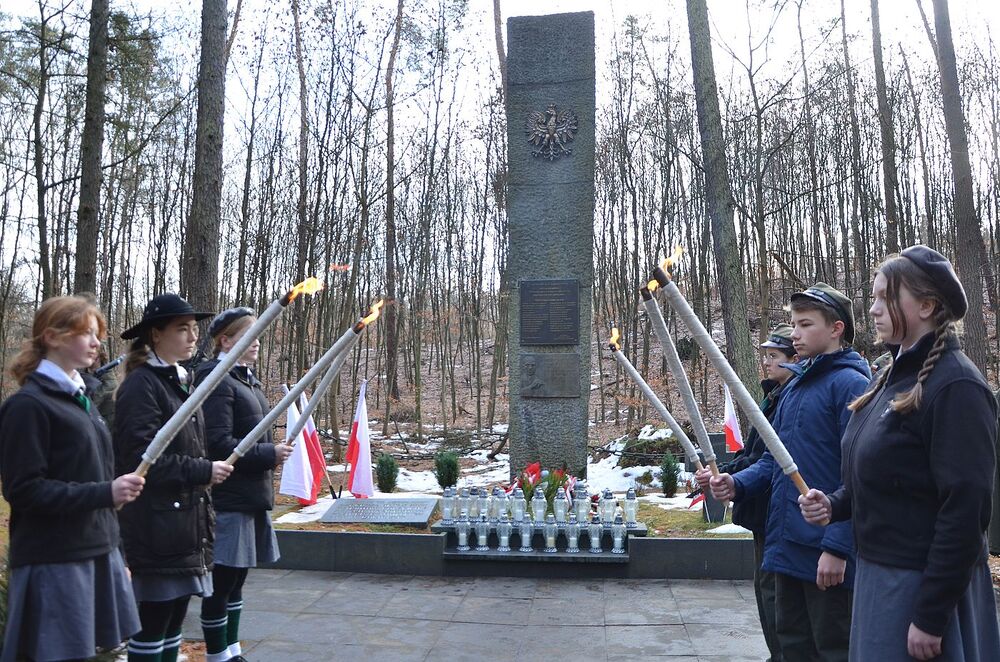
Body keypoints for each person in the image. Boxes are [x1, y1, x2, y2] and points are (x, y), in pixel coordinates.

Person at [799, 246, 1000, 661]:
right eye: (872, 297)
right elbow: (889, 478)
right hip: (880, 578)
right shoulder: (890, 378)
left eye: (883, 297)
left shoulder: (956, 386)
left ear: (926, 305)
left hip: (924, 589)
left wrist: (930, 615)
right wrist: (834, 505)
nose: (871, 309)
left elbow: (965, 510)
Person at [710, 282, 870, 661]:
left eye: (806, 324)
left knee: (832, 647)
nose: (795, 334)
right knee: (791, 645)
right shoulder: (796, 388)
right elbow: (774, 461)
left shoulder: (852, 384)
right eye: (794, 324)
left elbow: (859, 475)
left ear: (836, 329)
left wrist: (837, 546)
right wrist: (736, 483)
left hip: (823, 552)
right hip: (786, 544)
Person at [0, 296, 144, 661]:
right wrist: (105, 493)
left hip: (97, 549)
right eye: (87, 334)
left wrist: (119, 552)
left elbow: (95, 478)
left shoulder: (83, 401)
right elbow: (24, 490)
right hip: (56, 558)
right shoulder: (27, 407)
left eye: (99, 335)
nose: (97, 343)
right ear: (52, 336)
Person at [114, 294, 233, 662]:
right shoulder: (142, 385)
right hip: (156, 524)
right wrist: (203, 471)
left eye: (194, 329)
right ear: (155, 335)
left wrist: (203, 469)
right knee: (153, 622)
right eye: (182, 329)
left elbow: (190, 446)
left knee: (174, 621)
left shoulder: (182, 381)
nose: (192, 337)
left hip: (184, 522)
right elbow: (141, 458)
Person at [696, 323, 798, 662]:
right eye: (766, 356)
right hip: (762, 514)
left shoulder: (790, 398)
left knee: (775, 597)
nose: (767, 363)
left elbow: (772, 462)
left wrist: (733, 481)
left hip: (775, 512)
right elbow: (752, 455)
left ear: (794, 358)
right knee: (764, 592)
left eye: (775, 356)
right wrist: (723, 474)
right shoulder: (773, 397)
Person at [195, 308, 292, 662]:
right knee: (222, 582)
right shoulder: (218, 381)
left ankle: (232, 649)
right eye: (249, 336)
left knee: (237, 581)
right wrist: (271, 453)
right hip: (229, 498)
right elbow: (220, 444)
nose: (257, 344)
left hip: (249, 495)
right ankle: (218, 655)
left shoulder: (246, 380)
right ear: (226, 340)